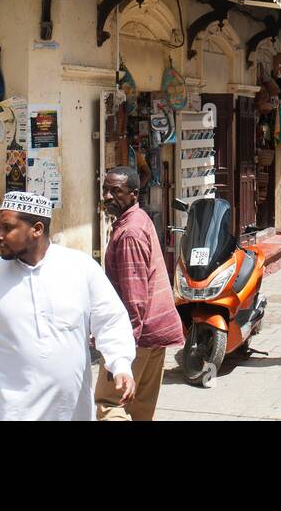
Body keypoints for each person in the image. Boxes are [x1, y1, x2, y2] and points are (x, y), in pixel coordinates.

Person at [0, 191, 137, 421]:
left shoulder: (80, 268)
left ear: (37, 229)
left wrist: (121, 365)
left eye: (7, 228)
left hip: (71, 412)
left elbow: (110, 319)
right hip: (10, 413)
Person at [97, 166, 184, 420]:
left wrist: (123, 352)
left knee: (109, 404)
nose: (108, 197)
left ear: (133, 194)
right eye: (105, 190)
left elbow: (135, 299)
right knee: (140, 410)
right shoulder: (138, 219)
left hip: (138, 336)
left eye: (116, 191)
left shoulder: (129, 233)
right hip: (155, 332)